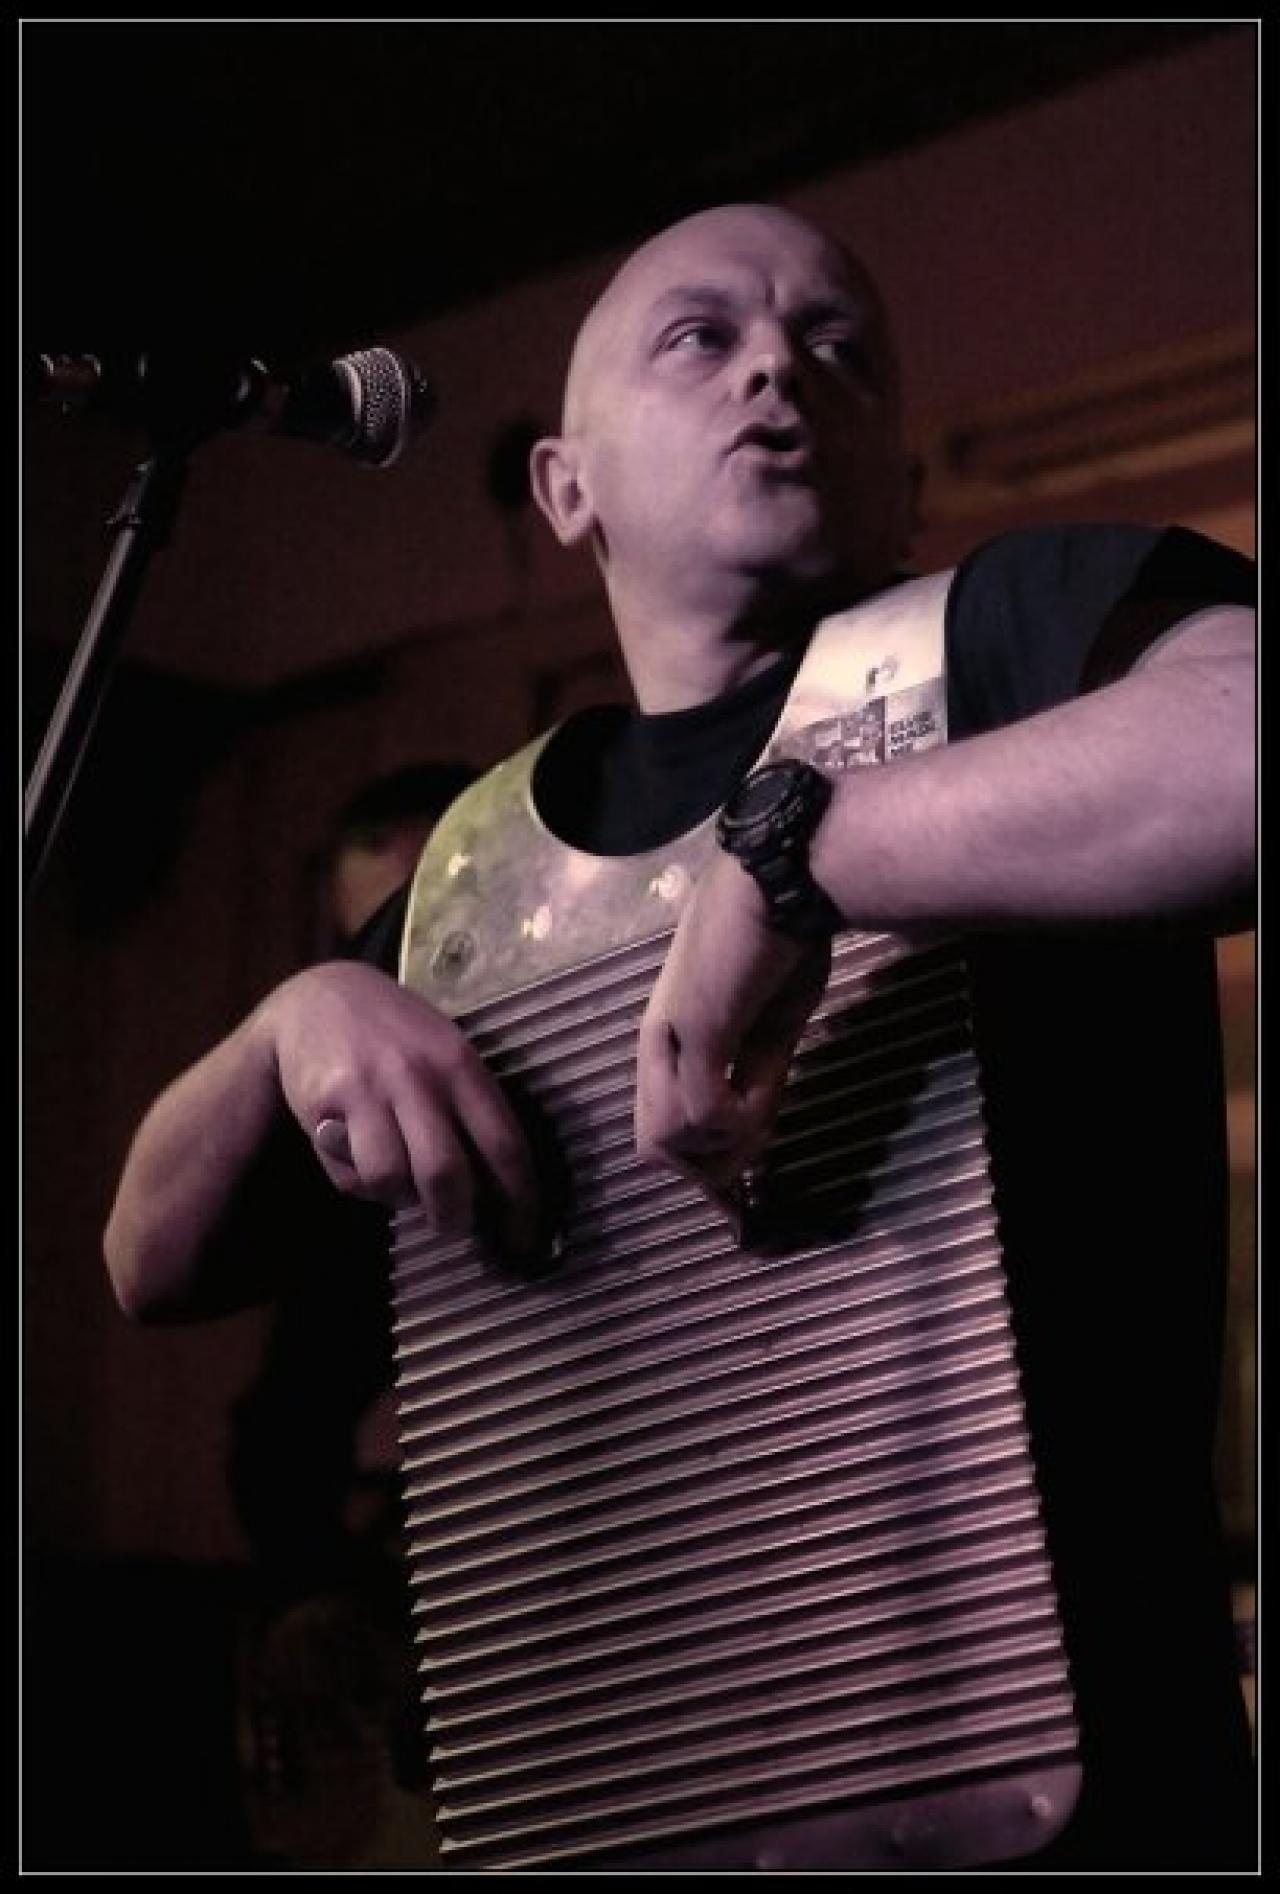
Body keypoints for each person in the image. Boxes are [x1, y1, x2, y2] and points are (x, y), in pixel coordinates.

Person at [103, 203, 1255, 1870]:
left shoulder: (1011, 632)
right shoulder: (471, 873)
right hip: (617, 1808)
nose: (779, 364)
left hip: (1060, 1806)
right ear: (565, 488)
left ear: (900, 478)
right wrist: (293, 1020)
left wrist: (807, 853)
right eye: (701, 336)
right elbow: (150, 1257)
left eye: (837, 345)